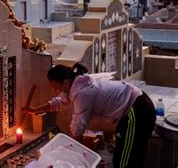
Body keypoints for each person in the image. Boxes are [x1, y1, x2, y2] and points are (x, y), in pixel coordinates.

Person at [25, 63, 156, 168]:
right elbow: (59, 102)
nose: (55, 90)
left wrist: (82, 157)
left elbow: (78, 127)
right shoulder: (75, 84)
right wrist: (36, 109)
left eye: (55, 86)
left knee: (125, 162)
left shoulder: (82, 92)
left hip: (137, 110)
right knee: (123, 156)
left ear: (65, 82)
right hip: (132, 109)